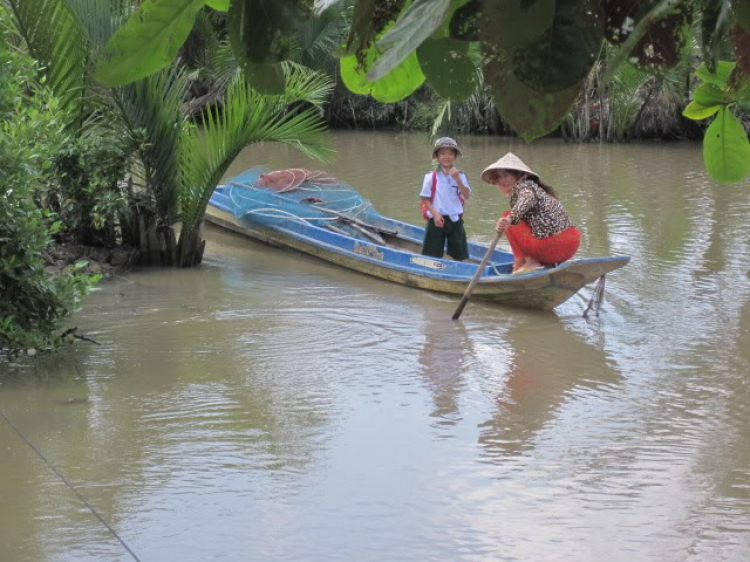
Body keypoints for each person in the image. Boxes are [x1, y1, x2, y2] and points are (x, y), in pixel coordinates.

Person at [481, 152, 581, 274]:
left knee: (506, 216)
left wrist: (509, 219)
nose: (502, 181)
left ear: (520, 175)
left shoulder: (524, 187)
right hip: (572, 243)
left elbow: (526, 198)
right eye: (499, 177)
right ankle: (540, 262)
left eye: (506, 175)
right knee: (516, 219)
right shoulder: (537, 189)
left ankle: (525, 261)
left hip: (552, 246)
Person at [420, 137, 471, 261]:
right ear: (437, 156)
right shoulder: (431, 176)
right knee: (431, 254)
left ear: (455, 156)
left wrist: (457, 179)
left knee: (459, 255)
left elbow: (467, 195)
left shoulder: (461, 175)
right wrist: (435, 214)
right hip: (437, 219)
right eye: (442, 153)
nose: (446, 157)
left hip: (455, 219)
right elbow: (424, 197)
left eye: (450, 153)